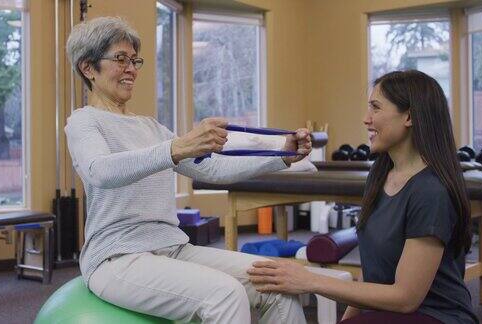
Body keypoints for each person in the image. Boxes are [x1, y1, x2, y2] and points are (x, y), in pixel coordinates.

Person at [64, 16, 312, 323]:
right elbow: (100, 171)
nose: (131, 69)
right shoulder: (84, 122)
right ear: (88, 68)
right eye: (120, 59)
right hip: (116, 257)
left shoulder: (151, 128)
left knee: (277, 284)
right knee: (225, 293)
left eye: (134, 60)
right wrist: (177, 148)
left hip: (172, 247)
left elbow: (213, 169)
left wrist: (280, 155)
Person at [248, 70, 479, 324]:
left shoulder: (430, 191)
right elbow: (373, 276)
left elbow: (406, 298)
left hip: (437, 317)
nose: (366, 119)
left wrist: (308, 279)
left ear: (409, 117)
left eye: (376, 109)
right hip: (391, 313)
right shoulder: (379, 176)